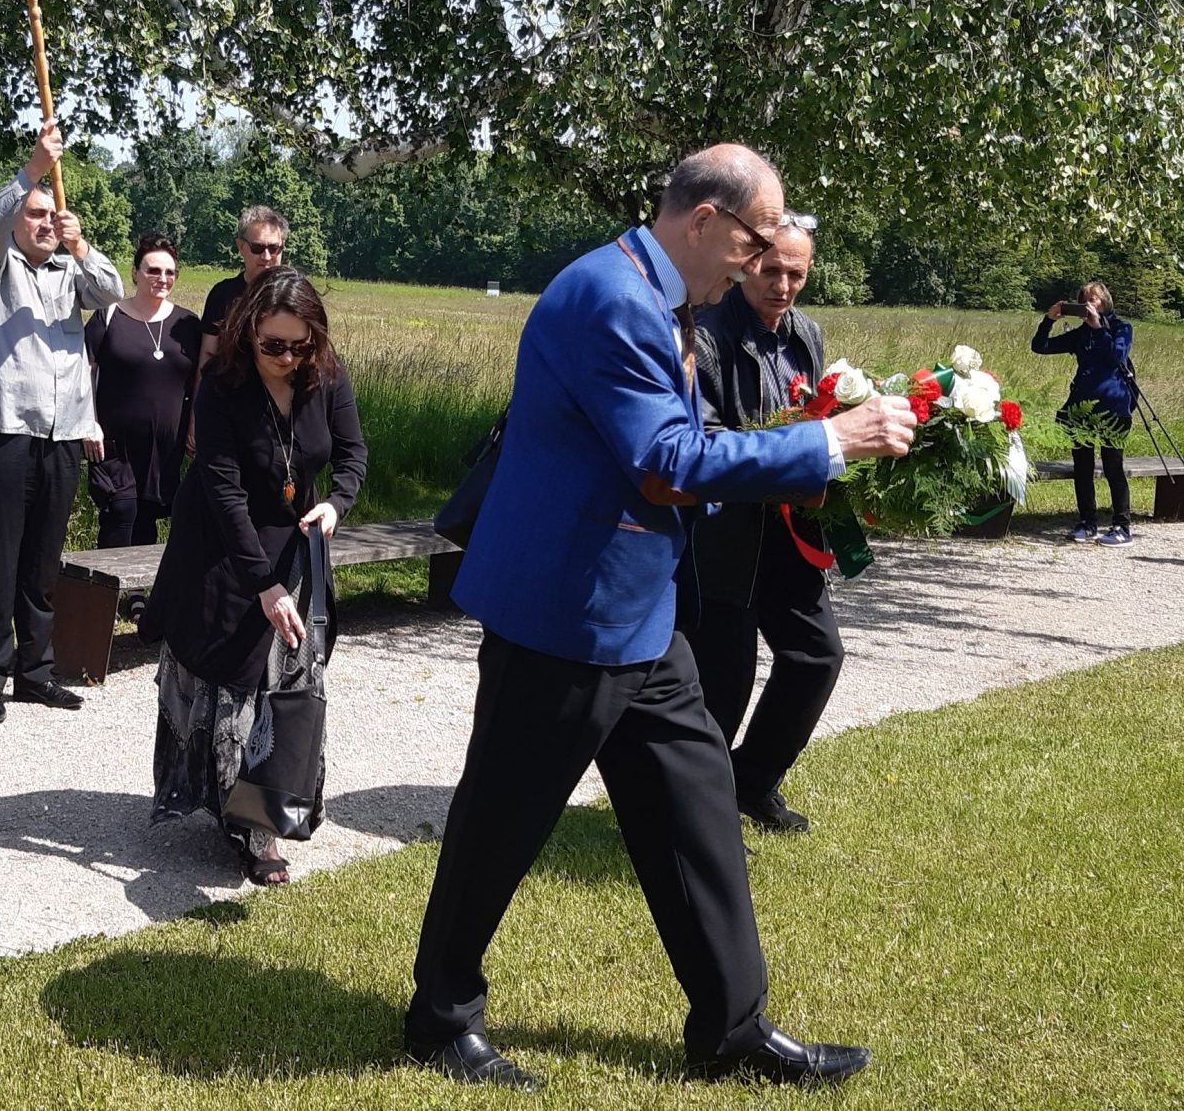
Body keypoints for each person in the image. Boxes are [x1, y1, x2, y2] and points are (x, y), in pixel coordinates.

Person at [405, 145, 917, 1091]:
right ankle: (439, 1019)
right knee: (501, 824)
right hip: (565, 613)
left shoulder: (652, 291)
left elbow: (671, 453)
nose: (761, 264)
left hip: (638, 612)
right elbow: (667, 461)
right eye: (755, 242)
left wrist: (804, 458)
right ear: (706, 220)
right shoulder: (612, 298)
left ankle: (732, 1029)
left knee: (698, 809)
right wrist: (827, 443)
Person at [149, 267, 365, 885]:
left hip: (296, 539)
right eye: (274, 345)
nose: (288, 357)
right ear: (248, 334)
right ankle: (240, 821)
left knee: (292, 676)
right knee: (234, 674)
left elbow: (352, 453)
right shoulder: (222, 385)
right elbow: (223, 492)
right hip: (221, 545)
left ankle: (270, 813)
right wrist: (262, 586)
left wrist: (336, 504)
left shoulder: (325, 374)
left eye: (301, 345)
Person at [687, 214, 844, 835]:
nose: (783, 286)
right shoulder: (708, 336)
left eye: (796, 274)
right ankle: (701, 818)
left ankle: (752, 782)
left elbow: (819, 417)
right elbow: (705, 444)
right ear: (748, 262)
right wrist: (790, 461)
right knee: (723, 687)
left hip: (792, 531)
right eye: (772, 270)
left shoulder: (807, 333)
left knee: (817, 656)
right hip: (727, 539)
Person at [0, 124, 123, 725]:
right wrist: (32, 171)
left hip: (64, 431)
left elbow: (111, 290)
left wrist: (81, 247)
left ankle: (35, 673)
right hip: (4, 426)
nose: (45, 223)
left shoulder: (67, 271)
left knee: (42, 561)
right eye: (34, 214)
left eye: (53, 215)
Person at [84, 234, 203, 550]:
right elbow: (83, 373)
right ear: (135, 273)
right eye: (153, 270)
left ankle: (138, 584)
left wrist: (194, 424)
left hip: (165, 446)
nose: (162, 278)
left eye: (169, 272)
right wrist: (88, 422)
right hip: (114, 444)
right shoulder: (109, 317)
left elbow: (200, 379)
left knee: (148, 515)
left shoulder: (188, 324)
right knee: (121, 511)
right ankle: (107, 580)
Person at [1033, 281, 1137, 545]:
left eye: (1095, 299)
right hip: (1081, 409)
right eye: (1084, 300)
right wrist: (1049, 320)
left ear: (1106, 302)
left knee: (1113, 467)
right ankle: (1087, 523)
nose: (1089, 304)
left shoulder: (1121, 327)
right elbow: (1040, 346)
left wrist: (1099, 328)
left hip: (1114, 406)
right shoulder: (1080, 335)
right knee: (1082, 467)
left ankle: (1121, 527)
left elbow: (1116, 356)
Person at [197, 204, 289, 370]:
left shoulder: (295, 295)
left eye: (274, 248)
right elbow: (207, 354)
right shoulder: (222, 294)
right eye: (257, 248)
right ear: (240, 246)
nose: (266, 256)